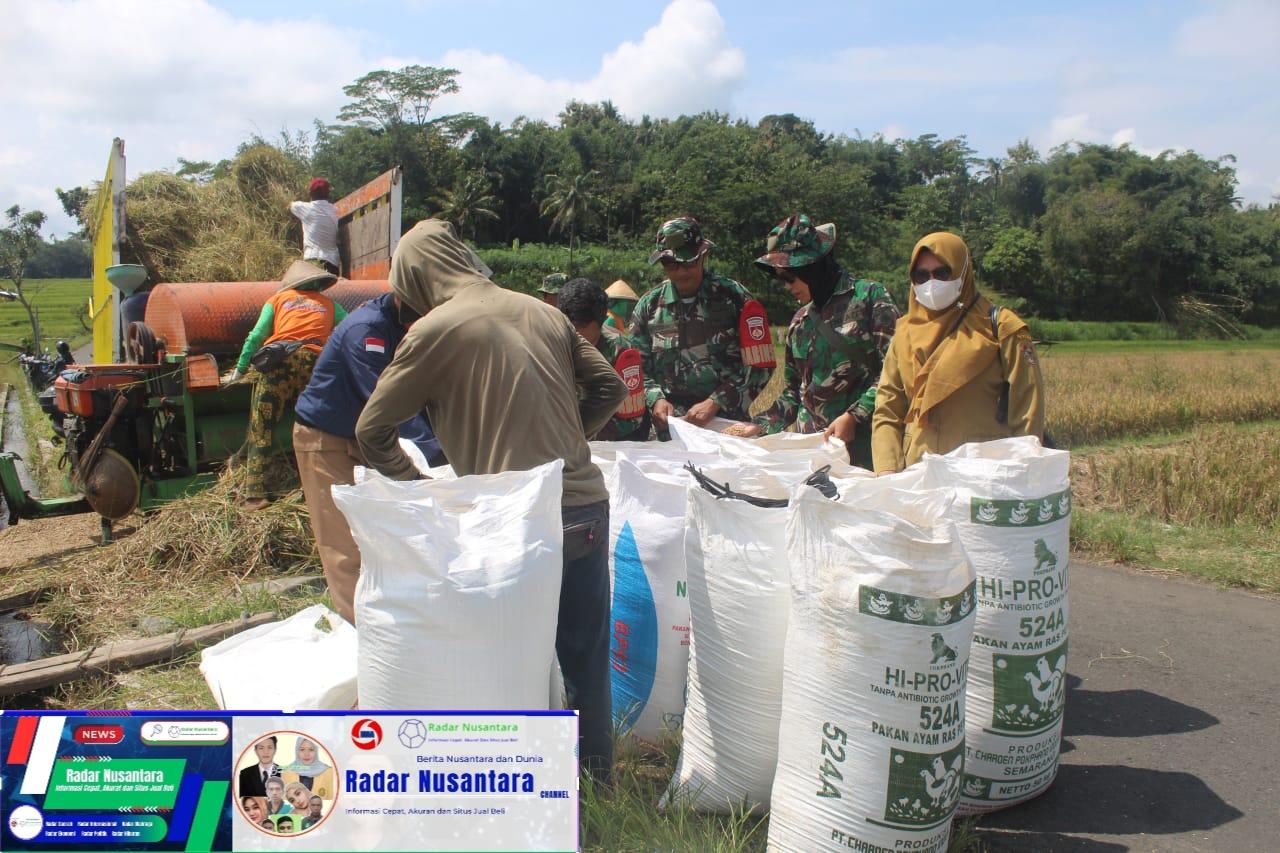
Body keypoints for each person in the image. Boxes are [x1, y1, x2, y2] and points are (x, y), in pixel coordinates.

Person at [355, 219, 626, 786]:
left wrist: (421, 491)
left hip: (510, 522)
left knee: (505, 659)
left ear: (415, 278)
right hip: (582, 508)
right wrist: (568, 446)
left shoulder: (432, 331)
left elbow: (373, 430)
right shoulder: (544, 311)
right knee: (584, 657)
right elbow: (611, 388)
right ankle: (598, 785)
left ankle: (517, 786)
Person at [293, 291, 445, 623]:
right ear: (405, 300)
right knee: (345, 546)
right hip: (328, 440)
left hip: (367, 438)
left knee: (381, 536)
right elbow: (386, 401)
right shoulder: (368, 332)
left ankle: (393, 623)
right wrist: (435, 456)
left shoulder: (404, 327)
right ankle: (361, 637)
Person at [730, 214, 900, 469]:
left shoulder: (869, 298)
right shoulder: (800, 322)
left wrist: (855, 416)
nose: (786, 287)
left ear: (812, 267)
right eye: (780, 279)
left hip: (866, 452)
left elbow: (894, 374)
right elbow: (794, 392)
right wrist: (761, 424)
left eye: (790, 277)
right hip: (811, 454)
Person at [872, 231, 1045, 472]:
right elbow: (887, 409)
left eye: (942, 273)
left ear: (963, 272)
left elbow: (1027, 410)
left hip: (983, 475)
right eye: (921, 276)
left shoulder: (1002, 328)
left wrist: (1023, 473)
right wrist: (888, 472)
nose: (931, 283)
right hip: (919, 474)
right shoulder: (904, 333)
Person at [629, 216, 774, 439]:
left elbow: (760, 366)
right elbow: (637, 370)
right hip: (670, 427)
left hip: (727, 424)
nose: (680, 272)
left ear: (703, 256)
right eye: (670, 265)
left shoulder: (735, 298)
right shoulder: (649, 306)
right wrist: (656, 398)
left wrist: (716, 402)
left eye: (688, 262)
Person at [225, 261, 347, 509]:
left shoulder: (277, 301)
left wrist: (238, 370)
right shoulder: (329, 305)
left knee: (263, 425)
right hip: (315, 366)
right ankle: (316, 488)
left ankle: (255, 495)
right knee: (316, 427)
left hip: (280, 365)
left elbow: (256, 336)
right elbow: (350, 329)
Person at [557, 278, 649, 441]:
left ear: (599, 323)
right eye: (569, 327)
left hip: (611, 443)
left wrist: (581, 435)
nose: (574, 336)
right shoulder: (552, 343)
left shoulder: (622, 352)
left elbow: (630, 420)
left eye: (582, 328)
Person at [290, 178, 340, 275]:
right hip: (332, 263)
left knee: (311, 290)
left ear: (311, 194)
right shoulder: (334, 210)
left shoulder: (307, 208)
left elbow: (289, 205)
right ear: (327, 194)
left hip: (313, 261)